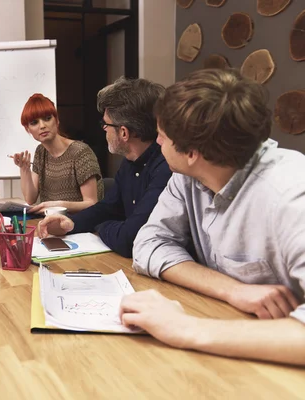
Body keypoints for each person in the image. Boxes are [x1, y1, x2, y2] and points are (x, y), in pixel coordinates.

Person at [121, 68, 305, 366]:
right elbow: (148, 244)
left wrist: (184, 328)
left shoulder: (292, 196)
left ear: (192, 152)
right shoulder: (188, 176)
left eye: (162, 136)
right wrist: (234, 290)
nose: (157, 143)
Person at [37, 77, 171, 258]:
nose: (104, 129)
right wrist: (70, 223)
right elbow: (108, 208)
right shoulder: (130, 161)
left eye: (105, 124)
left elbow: (128, 239)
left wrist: (101, 226)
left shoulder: (166, 169)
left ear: (123, 132)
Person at [11, 93, 102, 214]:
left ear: (57, 120)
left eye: (47, 118)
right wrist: (24, 169)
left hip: (80, 225)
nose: (42, 126)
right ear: (28, 129)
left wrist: (58, 205)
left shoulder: (80, 152)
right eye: (34, 122)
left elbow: (92, 203)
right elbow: (30, 199)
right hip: (51, 224)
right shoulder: (40, 151)